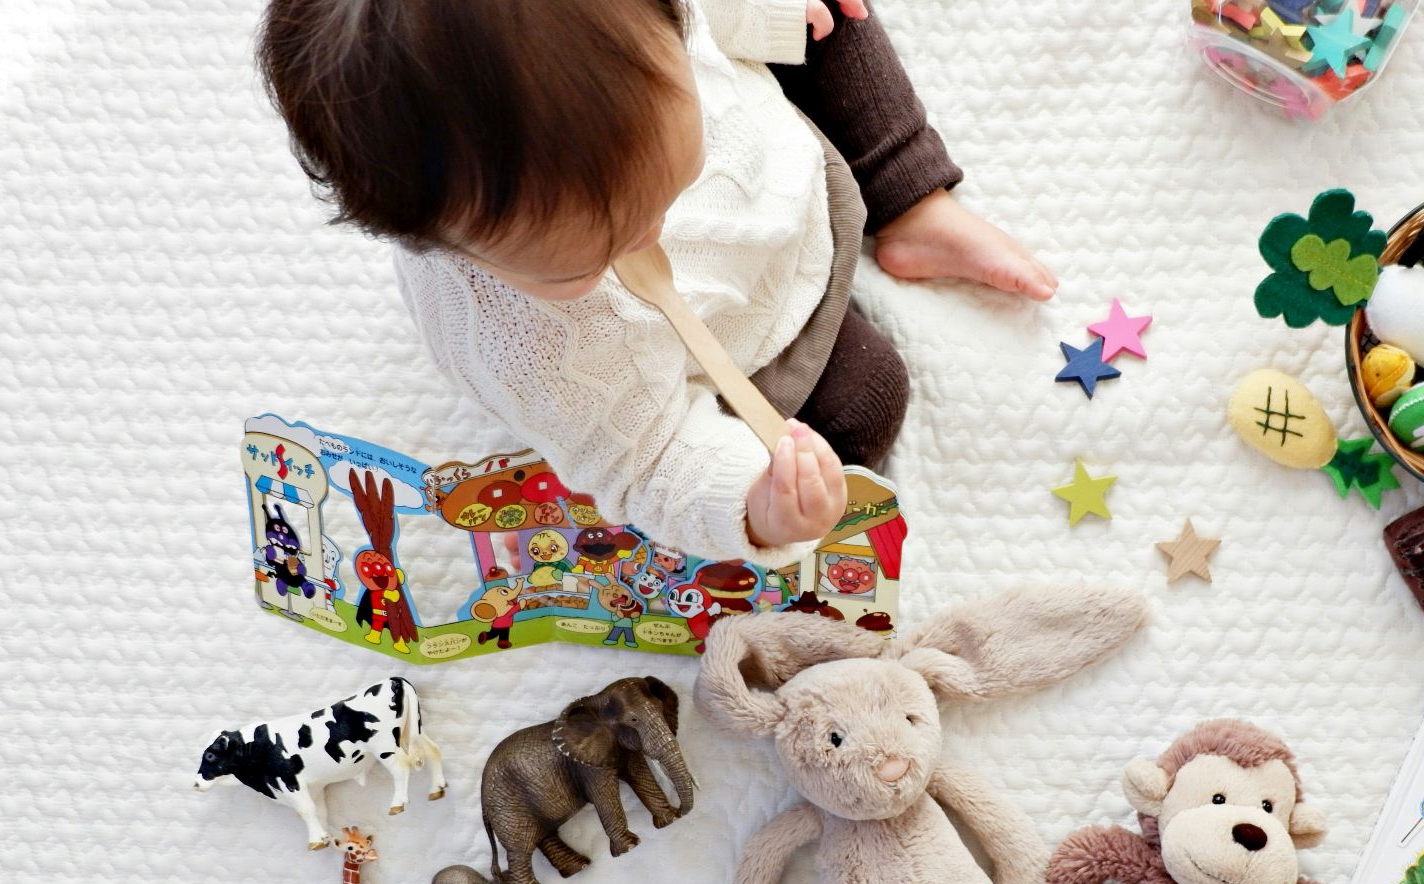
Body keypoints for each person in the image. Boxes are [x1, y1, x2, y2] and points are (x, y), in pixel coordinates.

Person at [258, 0, 1055, 565]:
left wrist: (767, 14)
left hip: (793, 173)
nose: (650, 239)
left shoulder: (639, 19)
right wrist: (756, 506)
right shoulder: (533, 349)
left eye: (667, 187)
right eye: (589, 259)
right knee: (865, 400)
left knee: (831, 22)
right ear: (442, 246)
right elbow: (647, 462)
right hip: (745, 349)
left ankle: (910, 198)